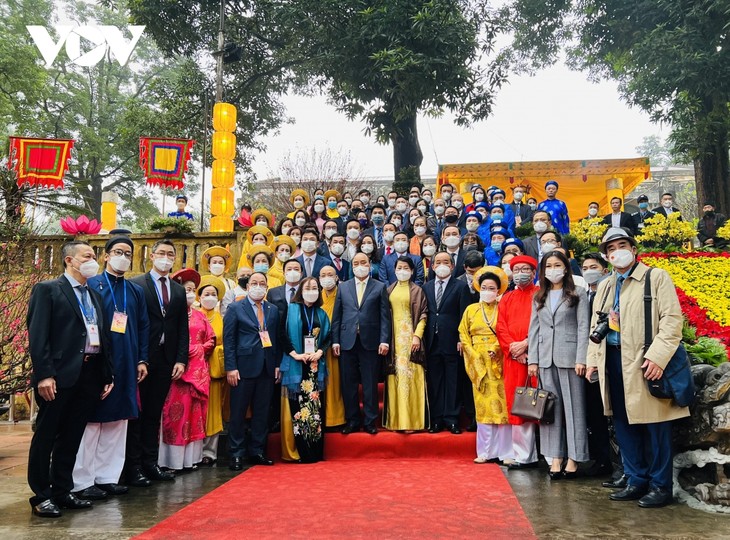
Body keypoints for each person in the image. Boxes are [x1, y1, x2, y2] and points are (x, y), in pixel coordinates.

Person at [586, 228, 689, 508]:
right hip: (614, 360)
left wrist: (657, 357)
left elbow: (671, 321)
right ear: (607, 257)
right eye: (611, 249)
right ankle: (635, 478)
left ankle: (660, 485)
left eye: (622, 245)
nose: (617, 252)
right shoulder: (606, 285)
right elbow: (598, 325)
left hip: (645, 362)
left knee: (656, 426)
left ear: (633, 249)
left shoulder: (655, 278)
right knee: (622, 422)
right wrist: (593, 359)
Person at [26, 241, 114, 517]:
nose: (93, 260)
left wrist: (106, 373)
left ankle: (63, 490)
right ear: (69, 260)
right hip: (58, 375)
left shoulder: (94, 295)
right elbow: (38, 335)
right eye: (87, 256)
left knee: (72, 435)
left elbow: (103, 337)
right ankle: (41, 495)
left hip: (89, 373)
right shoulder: (49, 290)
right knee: (47, 435)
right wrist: (44, 374)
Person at [72, 237, 149, 502]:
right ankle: (83, 480)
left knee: (118, 422)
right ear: (105, 256)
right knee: (92, 422)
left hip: (128, 361)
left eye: (128, 253)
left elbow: (143, 327)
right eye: (118, 252)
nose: (123, 257)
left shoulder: (135, 289)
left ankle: (108, 477)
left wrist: (142, 360)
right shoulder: (92, 285)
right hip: (99, 361)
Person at [128, 240, 189, 485]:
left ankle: (150, 463)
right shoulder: (136, 285)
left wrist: (181, 359)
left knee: (154, 413)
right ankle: (132, 466)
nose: (166, 257)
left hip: (167, 359)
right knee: (137, 414)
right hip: (143, 358)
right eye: (161, 253)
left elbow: (182, 328)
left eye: (170, 254)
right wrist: (138, 356)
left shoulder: (177, 289)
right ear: (152, 256)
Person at [527, 251, 589, 479]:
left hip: (570, 357)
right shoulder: (539, 296)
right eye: (548, 266)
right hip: (545, 358)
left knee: (574, 409)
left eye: (557, 265)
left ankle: (574, 458)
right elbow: (533, 330)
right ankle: (555, 457)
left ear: (565, 268)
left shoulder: (577, 293)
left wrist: (581, 357)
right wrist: (533, 359)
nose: (553, 269)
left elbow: (584, 327)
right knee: (550, 412)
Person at [224, 272, 282, 469]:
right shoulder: (235, 308)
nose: (258, 286)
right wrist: (231, 367)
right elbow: (229, 340)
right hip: (242, 367)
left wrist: (276, 364)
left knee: (262, 412)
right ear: (248, 286)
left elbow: (276, 338)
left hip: (266, 367)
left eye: (262, 284)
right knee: (238, 412)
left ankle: (258, 450)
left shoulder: (272, 310)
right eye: (254, 283)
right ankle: (236, 453)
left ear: (266, 287)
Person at [159, 269, 215, 471]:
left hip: (197, 373)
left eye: (193, 290)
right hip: (177, 373)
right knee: (174, 414)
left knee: (195, 415)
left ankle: (192, 459)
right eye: (186, 289)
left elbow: (211, 340)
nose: (190, 293)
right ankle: (170, 461)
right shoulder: (169, 314)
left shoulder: (201, 316)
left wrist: (196, 349)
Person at [331, 253, 392, 435]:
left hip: (371, 341)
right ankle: (352, 420)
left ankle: (370, 421)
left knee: (370, 383)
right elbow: (337, 316)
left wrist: (384, 340)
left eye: (363, 262)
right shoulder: (343, 287)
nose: (359, 266)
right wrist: (335, 340)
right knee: (348, 384)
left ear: (369, 264)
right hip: (347, 341)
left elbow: (384, 317)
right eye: (356, 263)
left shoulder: (380, 287)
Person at [459, 267, 512, 463]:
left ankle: (506, 453)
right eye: (484, 287)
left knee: (503, 408)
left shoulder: (504, 308)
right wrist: (473, 354)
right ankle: (485, 452)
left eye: (492, 288)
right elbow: (463, 334)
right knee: (483, 407)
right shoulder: (470, 310)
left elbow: (508, 331)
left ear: (499, 290)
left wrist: (498, 347)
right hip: (478, 361)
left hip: (499, 360)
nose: (488, 290)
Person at [279, 277, 331, 462]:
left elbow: (328, 337)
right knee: (299, 411)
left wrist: (319, 352)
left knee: (315, 411)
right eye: (307, 287)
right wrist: (294, 354)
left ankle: (316, 452)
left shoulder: (321, 313)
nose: (311, 290)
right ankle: (302, 452)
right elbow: (281, 334)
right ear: (301, 290)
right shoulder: (290, 309)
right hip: (297, 363)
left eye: (315, 287)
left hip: (315, 366)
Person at [495, 255, 539, 469]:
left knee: (541, 404)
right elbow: (500, 326)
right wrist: (514, 349)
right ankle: (523, 455)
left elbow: (544, 324)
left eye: (526, 269)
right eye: (517, 269)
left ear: (533, 272)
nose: (521, 273)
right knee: (518, 405)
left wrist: (527, 344)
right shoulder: (507, 297)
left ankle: (550, 454)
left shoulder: (541, 295)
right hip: (513, 359)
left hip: (536, 357)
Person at [423, 251, 471, 434]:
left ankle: (452, 419)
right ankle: (436, 419)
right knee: (434, 382)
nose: (441, 265)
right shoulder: (426, 287)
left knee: (453, 381)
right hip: (432, 341)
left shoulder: (460, 287)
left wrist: (461, 338)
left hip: (452, 341)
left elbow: (464, 316)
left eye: (446, 262)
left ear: (452, 266)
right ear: (432, 266)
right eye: (438, 262)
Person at [580, 253, 619, 480]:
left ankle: (618, 464)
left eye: (593, 266)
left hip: (607, 357)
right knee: (594, 413)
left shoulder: (612, 292)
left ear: (604, 270)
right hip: (587, 362)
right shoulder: (583, 294)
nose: (588, 270)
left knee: (613, 414)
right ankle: (601, 459)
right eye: (585, 267)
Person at [383, 256, 428, 431]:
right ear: (394, 270)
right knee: (396, 378)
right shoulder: (388, 290)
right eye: (399, 267)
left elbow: (423, 314)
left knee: (411, 378)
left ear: (411, 271)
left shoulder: (418, 290)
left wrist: (417, 336)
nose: (402, 270)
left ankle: (413, 422)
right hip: (394, 342)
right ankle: (396, 421)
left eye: (405, 267)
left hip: (410, 340)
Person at [197, 275, 228, 467]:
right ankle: (193, 451)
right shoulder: (193, 316)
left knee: (213, 411)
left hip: (215, 370)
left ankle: (210, 451)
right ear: (199, 297)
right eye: (206, 293)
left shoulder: (222, 319)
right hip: (195, 369)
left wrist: (213, 350)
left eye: (213, 294)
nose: (209, 297)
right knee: (197, 410)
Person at [319, 265, 346, 428]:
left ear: (337, 277)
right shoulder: (315, 295)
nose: (327, 278)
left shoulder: (343, 294)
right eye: (323, 275)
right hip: (317, 346)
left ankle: (336, 418)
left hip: (336, 344)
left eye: (330, 274)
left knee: (335, 382)